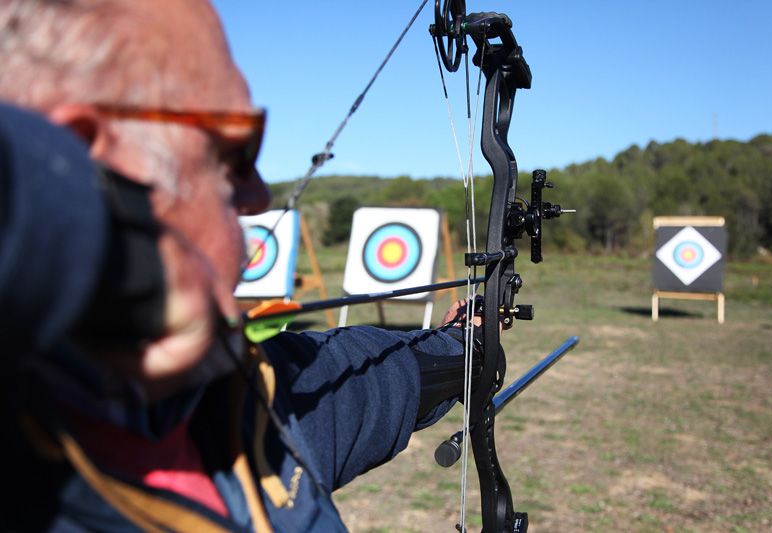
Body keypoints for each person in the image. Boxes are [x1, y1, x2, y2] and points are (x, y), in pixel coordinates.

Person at [0, 1, 475, 531]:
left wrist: (459, 344)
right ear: (85, 164)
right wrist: (117, 255)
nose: (256, 193)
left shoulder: (245, 392)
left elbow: (362, 374)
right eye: (236, 149)